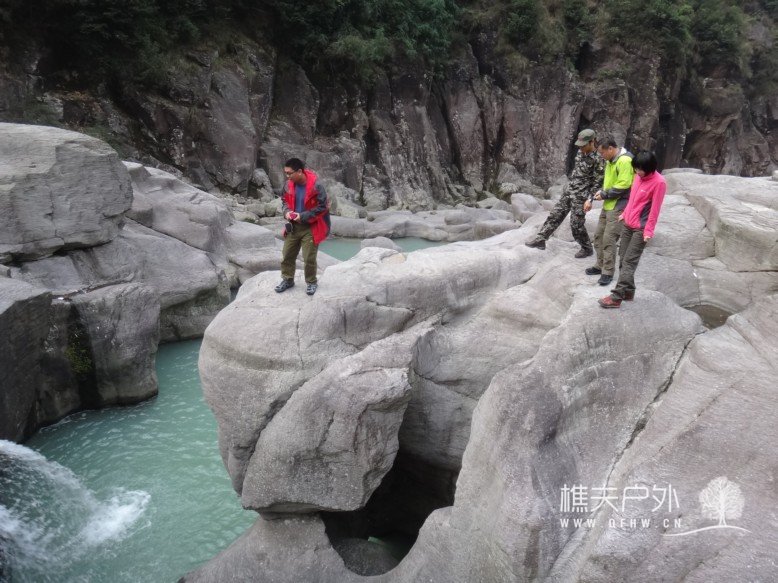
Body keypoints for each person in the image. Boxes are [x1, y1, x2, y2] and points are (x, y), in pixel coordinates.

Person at [599, 150, 666, 308]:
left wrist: (648, 231)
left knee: (629, 262)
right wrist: (625, 213)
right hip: (628, 224)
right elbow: (632, 199)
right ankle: (629, 291)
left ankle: (616, 297)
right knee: (623, 259)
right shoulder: (637, 176)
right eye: (636, 168)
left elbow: (655, 210)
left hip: (640, 229)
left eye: (640, 169)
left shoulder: (659, 182)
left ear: (650, 168)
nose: (637, 171)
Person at [526, 129, 604, 258]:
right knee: (555, 215)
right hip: (570, 191)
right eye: (579, 145)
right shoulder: (580, 152)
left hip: (581, 196)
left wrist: (589, 200)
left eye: (583, 145)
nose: (581, 148)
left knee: (576, 224)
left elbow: (598, 182)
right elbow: (576, 171)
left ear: (592, 142)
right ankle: (541, 239)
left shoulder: (598, 159)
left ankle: (586, 248)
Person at [274, 158, 330, 296]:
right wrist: (287, 212)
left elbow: (323, 207)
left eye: (289, 173)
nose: (287, 176)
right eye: (286, 173)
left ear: (299, 171)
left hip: (311, 226)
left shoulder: (316, 186)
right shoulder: (288, 185)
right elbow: (284, 201)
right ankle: (287, 280)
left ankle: (311, 282)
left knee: (309, 257)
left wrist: (303, 216)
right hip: (293, 226)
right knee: (287, 254)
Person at [584, 138, 634, 286]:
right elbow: (608, 182)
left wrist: (605, 194)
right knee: (598, 236)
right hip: (608, 204)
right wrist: (599, 193)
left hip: (619, 205)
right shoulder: (610, 161)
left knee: (609, 239)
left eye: (602, 152)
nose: (601, 156)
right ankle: (600, 265)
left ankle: (608, 271)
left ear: (611, 149)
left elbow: (624, 184)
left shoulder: (625, 161)